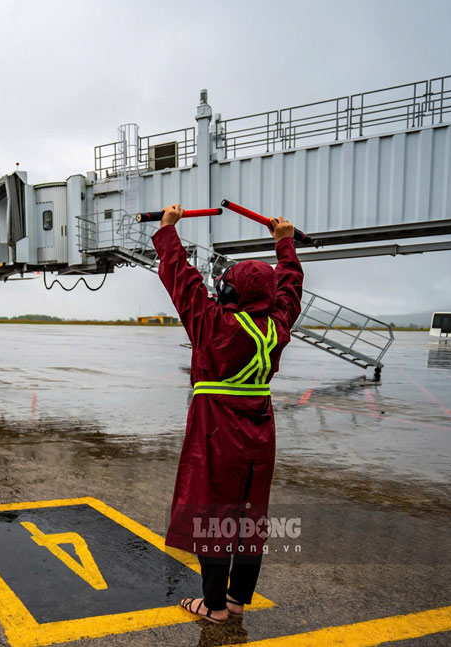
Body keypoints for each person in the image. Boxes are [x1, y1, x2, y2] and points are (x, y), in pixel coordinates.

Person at [152, 203, 303, 624]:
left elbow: (182, 281)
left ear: (230, 293)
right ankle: (238, 599)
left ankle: (214, 606)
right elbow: (290, 289)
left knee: (210, 515)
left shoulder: (212, 325)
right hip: (260, 429)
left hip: (216, 432)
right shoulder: (278, 326)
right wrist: (285, 244)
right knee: (250, 515)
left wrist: (168, 231)